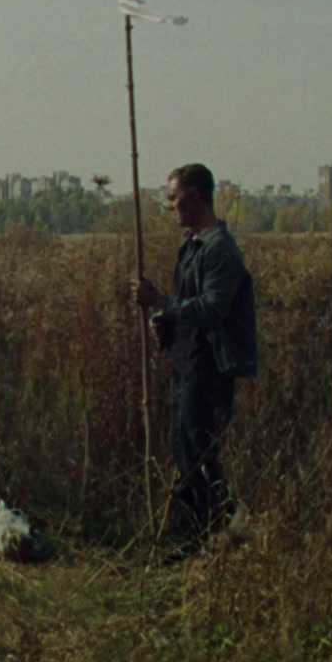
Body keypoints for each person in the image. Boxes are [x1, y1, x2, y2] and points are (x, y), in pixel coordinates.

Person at [131, 163, 257, 558]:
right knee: (184, 454)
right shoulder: (191, 245)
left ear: (198, 196)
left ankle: (207, 542)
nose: (170, 206)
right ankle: (201, 541)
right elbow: (186, 306)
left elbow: (211, 310)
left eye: (174, 197)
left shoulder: (220, 250)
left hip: (209, 371)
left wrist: (161, 302)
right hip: (185, 365)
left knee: (201, 457)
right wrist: (164, 323)